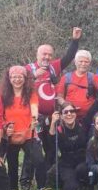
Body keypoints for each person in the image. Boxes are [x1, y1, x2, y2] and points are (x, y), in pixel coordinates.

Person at [25, 28, 82, 168]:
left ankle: (50, 173)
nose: (47, 57)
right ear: (37, 55)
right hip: (34, 116)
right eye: (44, 54)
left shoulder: (53, 67)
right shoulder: (28, 69)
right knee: (33, 147)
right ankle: (27, 179)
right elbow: (14, 83)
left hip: (52, 116)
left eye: (50, 55)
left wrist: (75, 40)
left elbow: (68, 57)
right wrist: (33, 76)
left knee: (51, 145)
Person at [47, 76, 98, 190]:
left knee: (82, 171)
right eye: (66, 112)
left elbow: (96, 106)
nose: (69, 114)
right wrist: (53, 123)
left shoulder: (83, 124)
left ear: (75, 114)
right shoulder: (59, 129)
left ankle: (84, 180)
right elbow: (51, 142)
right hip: (66, 163)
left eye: (72, 111)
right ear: (61, 115)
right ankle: (67, 180)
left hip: (83, 161)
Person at [0, 66, 52, 190]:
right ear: (9, 79)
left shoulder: (30, 93)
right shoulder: (3, 96)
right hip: (11, 134)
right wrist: (5, 127)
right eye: (14, 77)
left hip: (29, 132)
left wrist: (34, 119)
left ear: (25, 78)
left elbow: (34, 108)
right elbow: (0, 115)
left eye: (20, 77)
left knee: (39, 161)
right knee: (12, 164)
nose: (17, 80)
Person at [56, 50, 98, 120]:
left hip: (89, 118)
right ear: (75, 62)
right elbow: (59, 97)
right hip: (69, 117)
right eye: (81, 61)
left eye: (86, 62)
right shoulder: (66, 78)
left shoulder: (93, 77)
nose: (83, 64)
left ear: (89, 63)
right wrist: (67, 105)